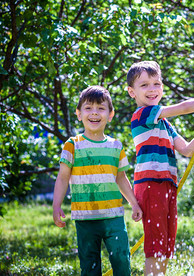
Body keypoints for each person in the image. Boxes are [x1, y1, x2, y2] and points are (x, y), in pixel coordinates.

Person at [127, 61, 194, 275]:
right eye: (144, 85)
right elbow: (184, 108)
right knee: (156, 245)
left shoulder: (164, 124)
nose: (152, 89)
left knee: (165, 243)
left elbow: (187, 149)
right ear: (132, 92)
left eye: (156, 83)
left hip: (167, 186)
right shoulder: (142, 115)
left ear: (162, 88)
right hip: (150, 185)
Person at [52, 85, 143, 276]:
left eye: (101, 108)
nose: (94, 113)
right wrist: (56, 205)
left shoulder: (116, 146)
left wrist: (134, 203)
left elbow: (121, 177)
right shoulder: (72, 145)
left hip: (113, 216)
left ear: (110, 114)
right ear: (78, 113)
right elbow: (62, 177)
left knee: (121, 258)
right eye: (88, 108)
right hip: (85, 218)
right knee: (89, 264)